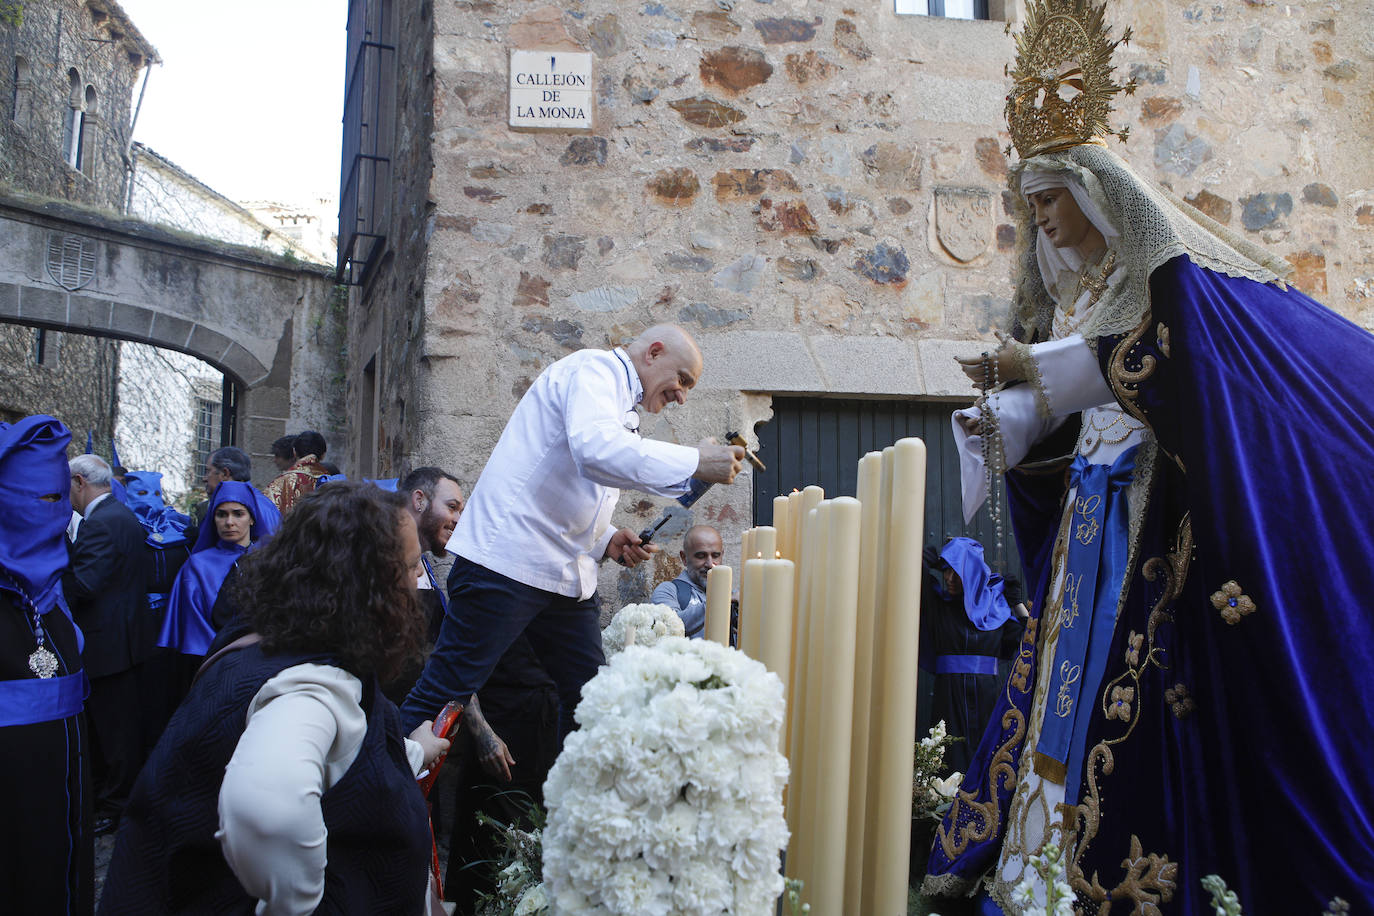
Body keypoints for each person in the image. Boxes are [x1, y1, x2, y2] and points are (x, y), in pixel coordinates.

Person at [923, 2, 1374, 910]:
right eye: (1033, 202)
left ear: (1095, 192)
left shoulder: (1159, 279)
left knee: (1125, 691)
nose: (1040, 217)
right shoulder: (1079, 297)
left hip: (1145, 526)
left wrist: (1037, 371)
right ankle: (1034, 864)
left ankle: (1105, 871)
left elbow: (1166, 366)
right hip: (1089, 524)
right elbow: (1076, 417)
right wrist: (1007, 422)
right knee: (1059, 687)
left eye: (1050, 198)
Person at [100, 481, 450, 915]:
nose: (419, 577)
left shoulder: (273, 641)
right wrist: (296, 904)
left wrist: (413, 751)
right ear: (369, 582)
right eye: (412, 565)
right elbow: (266, 807)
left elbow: (343, 761)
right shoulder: (313, 687)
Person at [401, 324, 746, 740]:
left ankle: (573, 803)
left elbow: (571, 483)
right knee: (444, 692)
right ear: (653, 352)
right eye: (683, 380)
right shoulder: (594, 370)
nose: (682, 396)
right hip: (507, 565)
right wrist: (694, 460)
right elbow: (595, 451)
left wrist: (606, 538)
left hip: (566, 578)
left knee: (590, 703)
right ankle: (380, 792)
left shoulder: (618, 399)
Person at [0, 416, 93, 916]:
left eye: (59, 500)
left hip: (65, 777)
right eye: (37, 500)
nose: (51, 516)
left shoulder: (51, 587)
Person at [64, 453, 154, 836]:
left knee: (113, 732)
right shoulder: (118, 514)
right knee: (117, 728)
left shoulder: (102, 522)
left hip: (110, 644)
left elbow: (85, 584)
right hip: (124, 639)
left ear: (80, 483)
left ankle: (113, 805)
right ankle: (112, 800)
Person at [919, 539, 1026, 776]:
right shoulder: (939, 606)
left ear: (973, 574)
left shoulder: (995, 608)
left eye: (956, 572)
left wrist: (1016, 603)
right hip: (949, 695)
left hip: (988, 696)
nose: (949, 579)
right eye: (946, 571)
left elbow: (1027, 641)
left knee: (988, 759)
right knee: (949, 759)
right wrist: (927, 559)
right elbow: (916, 576)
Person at [158, 481, 280, 658]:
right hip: (210, 658)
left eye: (238, 514)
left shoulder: (270, 561)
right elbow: (194, 627)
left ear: (252, 518)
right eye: (221, 515)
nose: (229, 522)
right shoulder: (198, 565)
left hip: (262, 657)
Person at [399, 466, 466, 643]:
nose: (459, 520)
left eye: (461, 512)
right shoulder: (385, 562)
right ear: (419, 500)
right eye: (452, 507)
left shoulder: (425, 564)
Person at [649, 524, 723, 638]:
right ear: (684, 557)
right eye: (701, 556)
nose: (710, 564)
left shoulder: (731, 595)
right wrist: (721, 601)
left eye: (715, 556)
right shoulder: (668, 591)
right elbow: (670, 628)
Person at [264, 430, 329, 514]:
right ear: (323, 455)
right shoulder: (334, 482)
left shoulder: (281, 483)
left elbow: (267, 516)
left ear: (294, 452)